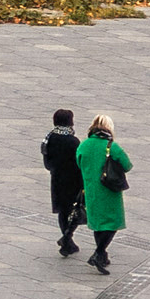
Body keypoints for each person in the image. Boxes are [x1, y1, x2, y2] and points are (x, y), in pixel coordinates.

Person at [81, 112, 132, 274]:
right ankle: (98, 253)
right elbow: (127, 165)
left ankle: (102, 254)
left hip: (91, 190)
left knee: (98, 224)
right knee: (112, 223)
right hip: (110, 190)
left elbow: (78, 161)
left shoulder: (84, 145)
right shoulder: (111, 146)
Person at [45, 106, 88, 258]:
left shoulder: (50, 138)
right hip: (73, 181)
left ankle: (67, 239)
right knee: (75, 209)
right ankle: (67, 238)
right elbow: (80, 162)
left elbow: (47, 162)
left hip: (57, 179)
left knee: (63, 210)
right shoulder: (73, 141)